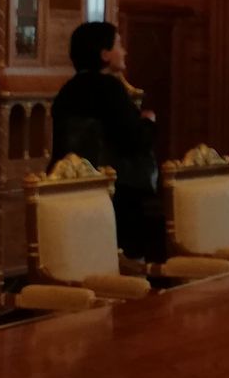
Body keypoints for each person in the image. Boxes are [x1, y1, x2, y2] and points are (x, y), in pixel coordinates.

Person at [51, 21, 164, 263]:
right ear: (104, 54)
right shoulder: (110, 88)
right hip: (116, 192)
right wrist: (148, 121)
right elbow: (133, 139)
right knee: (126, 263)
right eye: (119, 45)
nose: (124, 51)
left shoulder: (68, 90)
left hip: (75, 190)